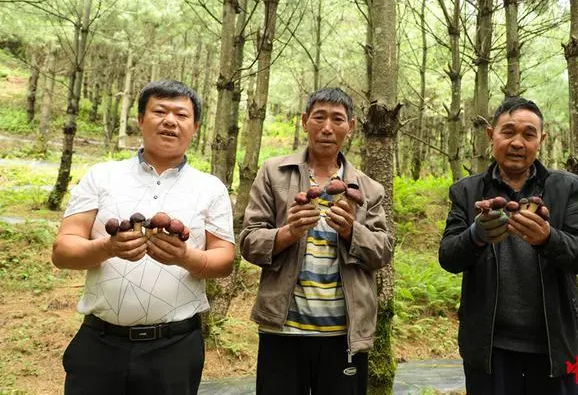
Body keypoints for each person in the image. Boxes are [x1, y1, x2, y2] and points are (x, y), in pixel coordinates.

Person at [52, 80, 235, 395]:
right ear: (140, 119)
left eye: (181, 114)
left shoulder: (211, 188)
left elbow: (225, 260)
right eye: (159, 111)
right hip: (100, 344)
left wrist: (186, 256)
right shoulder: (102, 176)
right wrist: (107, 247)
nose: (169, 121)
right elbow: (63, 250)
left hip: (175, 348)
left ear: (196, 127)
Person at [439, 97, 578, 395]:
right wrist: (475, 234)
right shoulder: (467, 192)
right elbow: (448, 258)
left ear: (541, 140)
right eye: (508, 132)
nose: (517, 142)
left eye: (528, 134)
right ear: (491, 135)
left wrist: (548, 239)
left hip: (557, 346)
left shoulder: (566, 188)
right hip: (490, 349)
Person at [239, 87, 393, 395]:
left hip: (344, 334)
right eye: (319, 117)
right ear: (304, 121)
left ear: (350, 127)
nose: (327, 128)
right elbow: (248, 241)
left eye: (337, 119)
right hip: (282, 330)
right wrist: (287, 234)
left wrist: (352, 232)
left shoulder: (369, 189)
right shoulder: (274, 172)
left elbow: (382, 251)